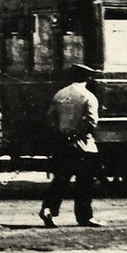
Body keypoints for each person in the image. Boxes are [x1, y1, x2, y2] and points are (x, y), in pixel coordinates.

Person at [39, 64, 102, 228]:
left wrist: (61, 135)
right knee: (84, 183)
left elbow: (50, 118)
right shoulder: (88, 96)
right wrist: (78, 135)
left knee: (60, 179)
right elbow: (91, 122)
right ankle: (85, 217)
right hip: (83, 145)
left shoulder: (60, 94)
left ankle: (47, 209)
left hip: (62, 144)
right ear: (87, 78)